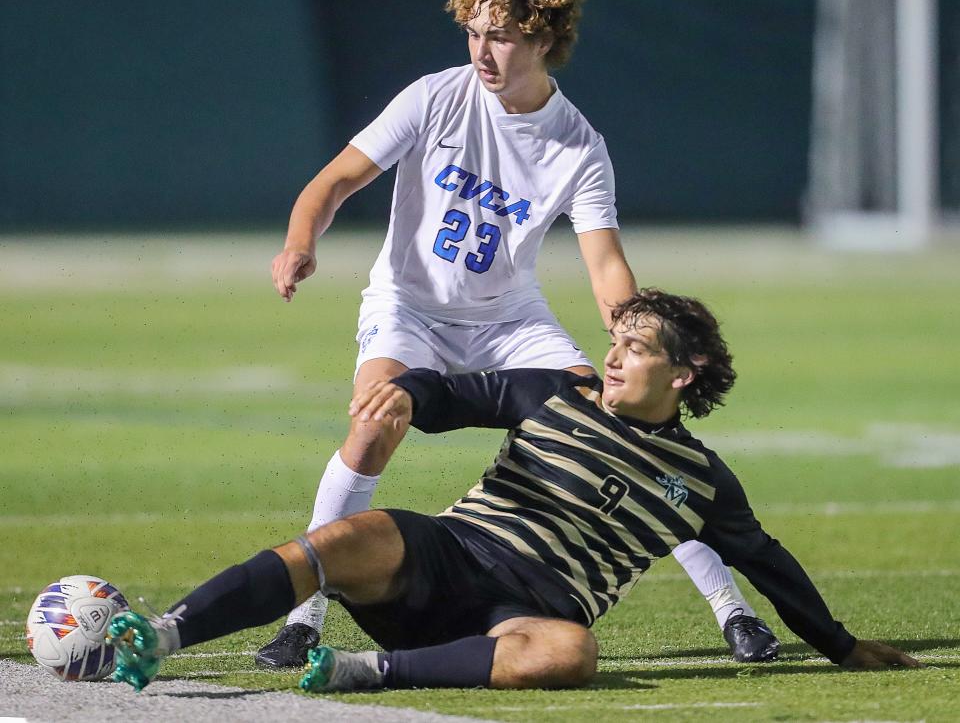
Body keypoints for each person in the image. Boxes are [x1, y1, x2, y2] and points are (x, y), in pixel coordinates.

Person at [260, 0, 777, 668]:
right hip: (409, 308)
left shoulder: (577, 145)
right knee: (372, 425)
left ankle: (734, 610)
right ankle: (305, 615)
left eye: (499, 35)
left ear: (543, 37)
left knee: (626, 435)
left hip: (510, 321)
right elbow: (334, 180)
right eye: (473, 31)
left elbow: (604, 264)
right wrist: (300, 240)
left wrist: (636, 340)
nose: (482, 50)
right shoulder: (435, 98)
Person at [108, 288, 919, 694]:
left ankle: (368, 670)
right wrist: (410, 397)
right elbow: (459, 393)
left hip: (525, 615)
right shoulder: (555, 393)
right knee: (349, 537)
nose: (612, 355)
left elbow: (769, 563)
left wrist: (840, 645)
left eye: (633, 349)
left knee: (573, 653)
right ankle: (168, 633)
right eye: (615, 340)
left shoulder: (702, 480)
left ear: (680, 375)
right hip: (446, 556)